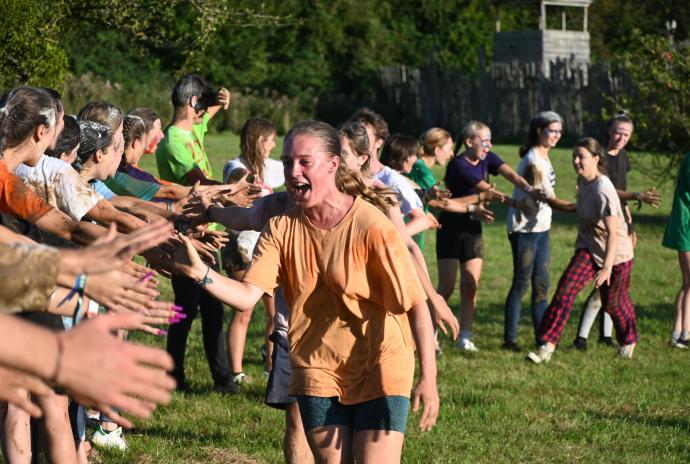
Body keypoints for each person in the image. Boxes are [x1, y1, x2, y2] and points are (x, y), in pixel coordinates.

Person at [177, 121, 438, 463]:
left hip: (381, 363)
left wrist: (428, 380)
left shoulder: (371, 225)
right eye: (287, 162)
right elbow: (246, 296)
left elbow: (416, 304)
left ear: (332, 164)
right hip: (316, 367)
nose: (292, 171)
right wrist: (199, 271)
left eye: (304, 162)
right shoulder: (281, 227)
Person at [527, 138, 638, 363]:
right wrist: (549, 200)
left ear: (596, 159)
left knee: (613, 303)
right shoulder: (583, 182)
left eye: (582, 157)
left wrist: (606, 268)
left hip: (616, 255)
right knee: (564, 291)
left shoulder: (603, 188)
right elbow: (579, 209)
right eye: (574, 157)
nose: (576, 161)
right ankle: (546, 346)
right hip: (589, 248)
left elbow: (614, 233)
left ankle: (628, 341)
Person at [155, 73, 233, 392]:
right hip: (187, 236)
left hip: (206, 233)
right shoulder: (173, 141)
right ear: (192, 103)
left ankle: (222, 378)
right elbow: (201, 182)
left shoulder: (193, 129)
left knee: (214, 307)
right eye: (202, 104)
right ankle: (174, 376)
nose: (205, 112)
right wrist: (235, 191)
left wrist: (219, 100)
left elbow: (207, 111)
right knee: (186, 309)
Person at [438, 120, 534, 351]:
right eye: (484, 140)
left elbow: (509, 173)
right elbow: (488, 192)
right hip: (450, 228)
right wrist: (517, 203)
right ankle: (431, 336)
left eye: (490, 139)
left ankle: (465, 337)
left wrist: (528, 188)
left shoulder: (486, 157)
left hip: (473, 229)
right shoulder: (459, 166)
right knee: (447, 287)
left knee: (470, 285)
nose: (488, 145)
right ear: (469, 142)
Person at [574, 113, 662, 350]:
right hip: (601, 231)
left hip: (619, 226)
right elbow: (611, 192)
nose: (621, 138)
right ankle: (581, 338)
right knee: (600, 286)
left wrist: (630, 227)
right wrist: (637, 196)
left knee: (613, 290)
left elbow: (618, 201)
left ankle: (605, 336)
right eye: (618, 132)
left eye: (626, 134)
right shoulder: (598, 159)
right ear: (609, 131)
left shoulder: (623, 157)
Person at [223, 117, 283, 387]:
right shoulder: (236, 166)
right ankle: (236, 373)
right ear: (260, 140)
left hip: (267, 246)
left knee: (275, 312)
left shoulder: (271, 167)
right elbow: (236, 180)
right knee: (243, 310)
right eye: (270, 140)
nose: (273, 145)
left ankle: (272, 367)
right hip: (241, 246)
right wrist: (248, 183)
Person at [503, 111, 563, 352]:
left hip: (542, 227)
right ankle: (510, 339)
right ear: (539, 131)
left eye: (559, 131)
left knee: (541, 283)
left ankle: (542, 336)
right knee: (522, 283)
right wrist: (580, 207)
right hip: (525, 229)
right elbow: (550, 198)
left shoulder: (543, 157)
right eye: (552, 131)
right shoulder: (533, 159)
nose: (556, 136)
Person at [348, 107, 438, 235]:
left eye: (365, 136)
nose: (358, 140)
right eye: (354, 134)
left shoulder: (390, 178)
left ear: (378, 143)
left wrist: (390, 241)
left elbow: (422, 219)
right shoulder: (341, 173)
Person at [662, 151, 690, 348]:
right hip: (686, 225)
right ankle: (685, 334)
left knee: (688, 282)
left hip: (685, 224)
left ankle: (677, 334)